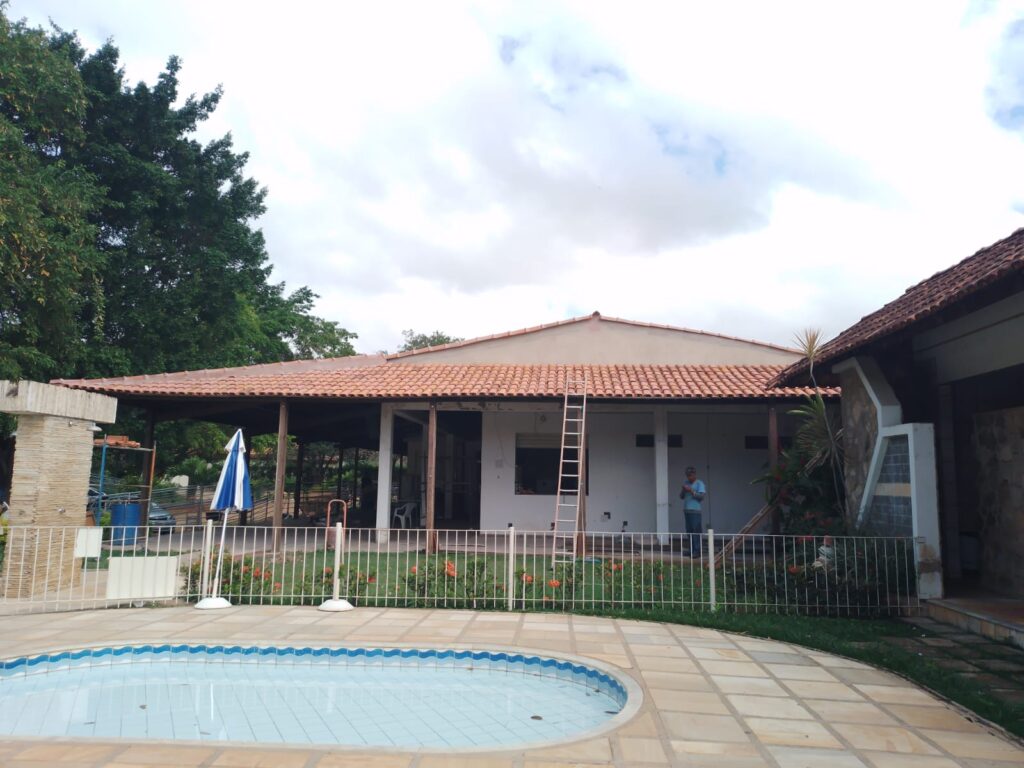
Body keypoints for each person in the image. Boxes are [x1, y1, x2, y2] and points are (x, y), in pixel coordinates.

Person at [680, 466, 706, 556]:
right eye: (687, 475)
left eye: (690, 475)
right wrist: (683, 490)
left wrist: (691, 490)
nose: (689, 477)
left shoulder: (699, 483)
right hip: (687, 510)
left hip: (695, 511)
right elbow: (681, 497)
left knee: (696, 531)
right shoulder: (686, 483)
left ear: (694, 474)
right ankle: (691, 550)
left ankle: (697, 551)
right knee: (689, 531)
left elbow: (701, 497)